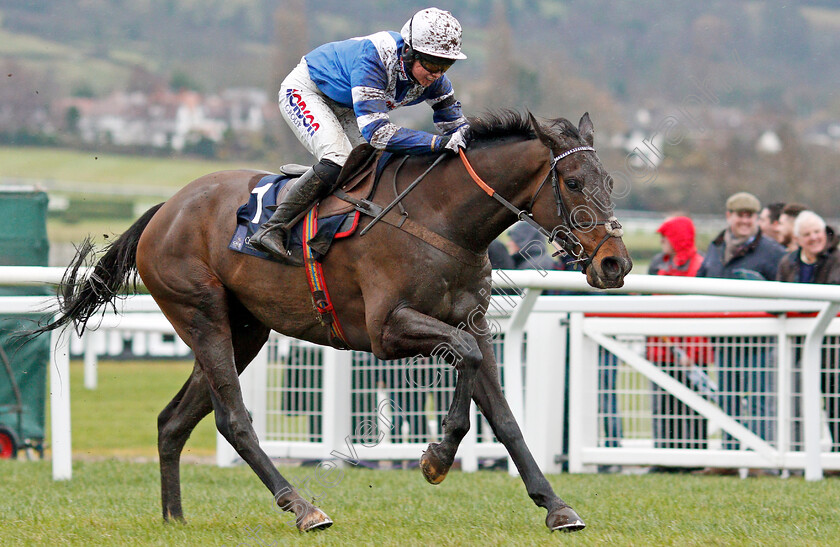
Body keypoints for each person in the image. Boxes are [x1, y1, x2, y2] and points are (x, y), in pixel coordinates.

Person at [251, 8, 472, 262]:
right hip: (307, 91)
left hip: (346, 105)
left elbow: (456, 126)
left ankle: (328, 226)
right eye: (433, 64)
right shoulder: (375, 59)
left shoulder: (436, 80)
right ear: (409, 52)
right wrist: (437, 143)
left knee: (378, 166)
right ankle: (272, 228)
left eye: (446, 65)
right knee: (338, 157)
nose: (437, 74)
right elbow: (378, 133)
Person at [696, 192, 786, 458]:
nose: (745, 221)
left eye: (750, 216)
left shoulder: (773, 252)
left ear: (757, 219)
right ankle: (730, 456)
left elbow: (782, 291)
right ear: (729, 216)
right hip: (724, 339)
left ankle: (761, 457)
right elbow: (701, 283)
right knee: (727, 399)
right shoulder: (715, 247)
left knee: (759, 401)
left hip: (759, 340)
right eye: (740, 215)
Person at [646, 217, 712, 467]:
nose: (661, 241)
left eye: (666, 236)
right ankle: (665, 459)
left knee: (694, 410)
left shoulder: (700, 265)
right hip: (662, 350)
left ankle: (695, 460)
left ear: (677, 238)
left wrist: (691, 352)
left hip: (690, 354)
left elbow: (702, 314)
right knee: (663, 408)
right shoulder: (659, 263)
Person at [776, 211, 840, 453]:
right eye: (807, 234)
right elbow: (779, 296)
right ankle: (797, 453)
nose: (814, 238)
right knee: (795, 397)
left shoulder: (837, 259)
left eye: (817, 232)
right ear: (798, 238)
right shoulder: (788, 262)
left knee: (835, 398)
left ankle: (837, 453)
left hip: (833, 342)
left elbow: (830, 293)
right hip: (796, 342)